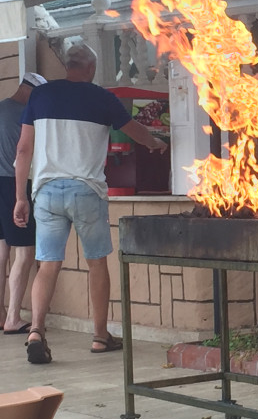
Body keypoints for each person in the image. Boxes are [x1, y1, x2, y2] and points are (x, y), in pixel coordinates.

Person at [13, 43, 167, 364]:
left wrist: (20, 197)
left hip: (47, 191)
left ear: (67, 65)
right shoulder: (103, 98)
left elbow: (23, 150)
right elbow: (135, 131)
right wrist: (155, 142)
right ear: (91, 69)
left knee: (47, 264)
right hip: (86, 191)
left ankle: (37, 331)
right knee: (96, 263)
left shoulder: (40, 95)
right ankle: (99, 336)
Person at [0, 73, 47, 334]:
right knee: (25, 251)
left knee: (1, 250)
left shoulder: (1, 108)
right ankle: (13, 318)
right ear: (31, 91)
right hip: (14, 184)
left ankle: (1, 314)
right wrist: (22, 196)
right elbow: (25, 151)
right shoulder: (26, 115)